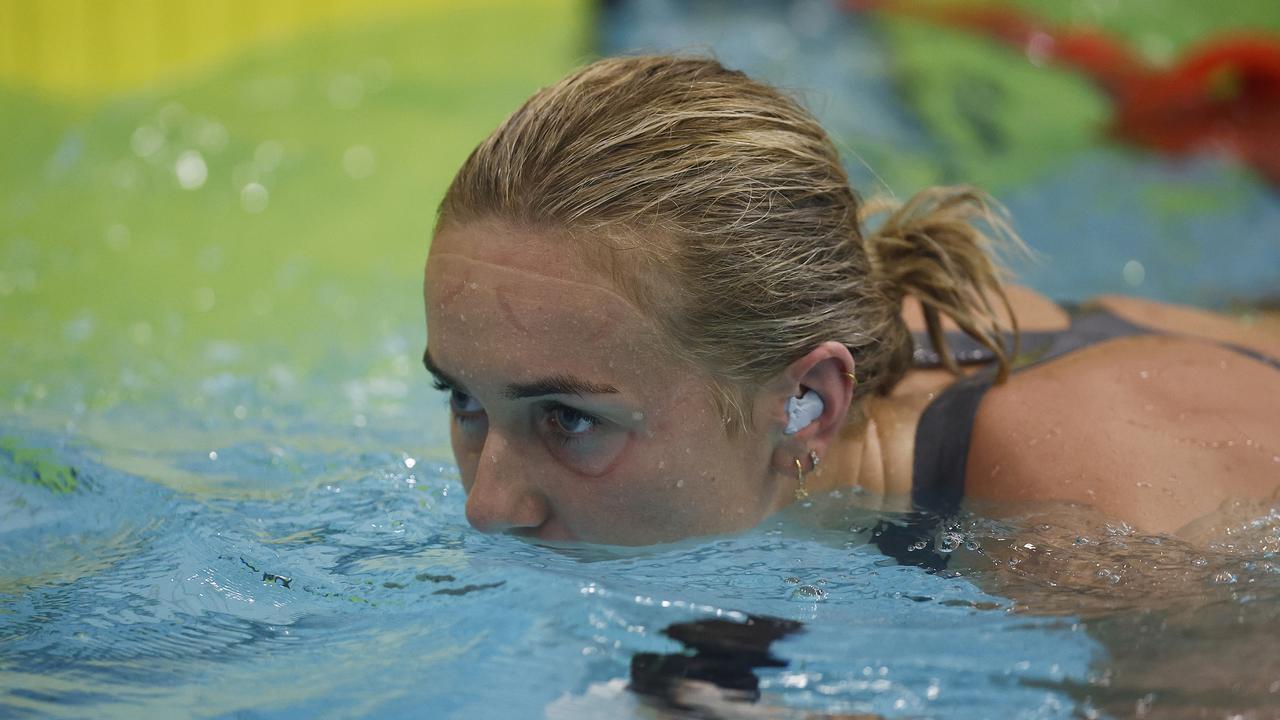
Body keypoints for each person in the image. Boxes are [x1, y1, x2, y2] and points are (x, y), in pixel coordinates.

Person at [421, 55, 1280, 546]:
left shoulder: (1083, 520)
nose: (487, 508)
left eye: (568, 419)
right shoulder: (743, 333)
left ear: (807, 406)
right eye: (464, 400)